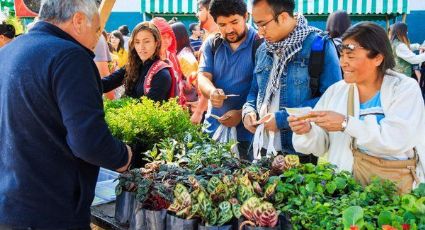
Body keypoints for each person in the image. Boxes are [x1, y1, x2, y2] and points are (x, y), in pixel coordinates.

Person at [0, 0, 132, 228]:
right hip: (51, 212)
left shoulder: (9, 51)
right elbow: (89, 142)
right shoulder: (71, 56)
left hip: (10, 205)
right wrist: (124, 156)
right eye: (97, 29)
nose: (97, 39)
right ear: (79, 20)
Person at [289, 22, 425, 194]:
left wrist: (346, 124)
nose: (343, 62)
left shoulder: (404, 88)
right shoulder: (336, 91)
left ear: (378, 57)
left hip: (395, 193)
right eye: (342, 55)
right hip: (346, 193)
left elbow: (397, 140)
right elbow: (321, 145)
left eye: (351, 56)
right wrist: (307, 131)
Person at [242, 0, 341, 164]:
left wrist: (282, 119)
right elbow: (254, 90)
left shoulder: (319, 45)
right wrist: (249, 110)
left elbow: (331, 99)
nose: (259, 32)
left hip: (298, 153)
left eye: (263, 24)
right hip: (261, 147)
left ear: (282, 17)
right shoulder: (263, 49)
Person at [197, 0, 260, 160]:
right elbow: (203, 77)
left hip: (248, 135)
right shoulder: (212, 43)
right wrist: (212, 92)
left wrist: (241, 113)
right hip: (213, 129)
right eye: (222, 24)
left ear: (246, 16)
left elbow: (264, 90)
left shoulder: (260, 44)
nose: (229, 29)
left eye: (234, 22)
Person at [101, 21, 173, 101]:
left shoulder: (161, 73)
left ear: (156, 43)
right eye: (137, 42)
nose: (141, 47)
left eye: (146, 41)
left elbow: (147, 108)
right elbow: (106, 83)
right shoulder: (132, 66)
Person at [171, 22, 199, 104]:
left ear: (178, 37)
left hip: (189, 102)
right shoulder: (182, 53)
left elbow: (194, 83)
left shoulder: (185, 57)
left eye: (171, 36)